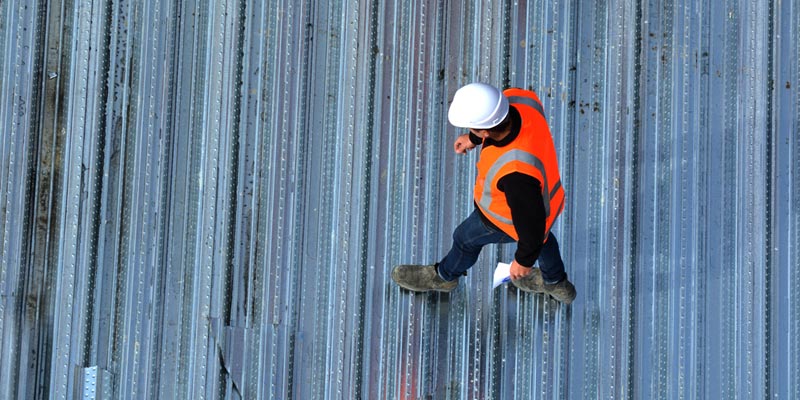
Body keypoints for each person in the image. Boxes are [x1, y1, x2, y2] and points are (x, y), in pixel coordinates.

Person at [391, 82, 576, 304]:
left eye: (473, 129)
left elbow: (532, 229)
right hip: (549, 199)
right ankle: (556, 283)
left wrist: (523, 261)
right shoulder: (522, 100)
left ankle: (444, 277)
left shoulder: (516, 174)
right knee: (544, 239)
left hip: (501, 219)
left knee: (464, 239)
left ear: (486, 130)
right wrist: (473, 139)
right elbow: (499, 123)